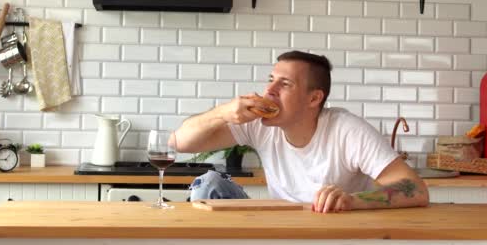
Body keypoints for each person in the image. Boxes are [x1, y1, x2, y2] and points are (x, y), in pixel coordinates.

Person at [175, 50, 429, 213]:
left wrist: (353, 200)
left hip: (334, 234)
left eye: (284, 84)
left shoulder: (347, 130)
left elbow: (415, 189)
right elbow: (179, 142)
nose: (269, 91)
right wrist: (223, 112)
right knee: (210, 183)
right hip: (282, 230)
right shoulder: (258, 126)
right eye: (270, 79)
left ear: (313, 98)